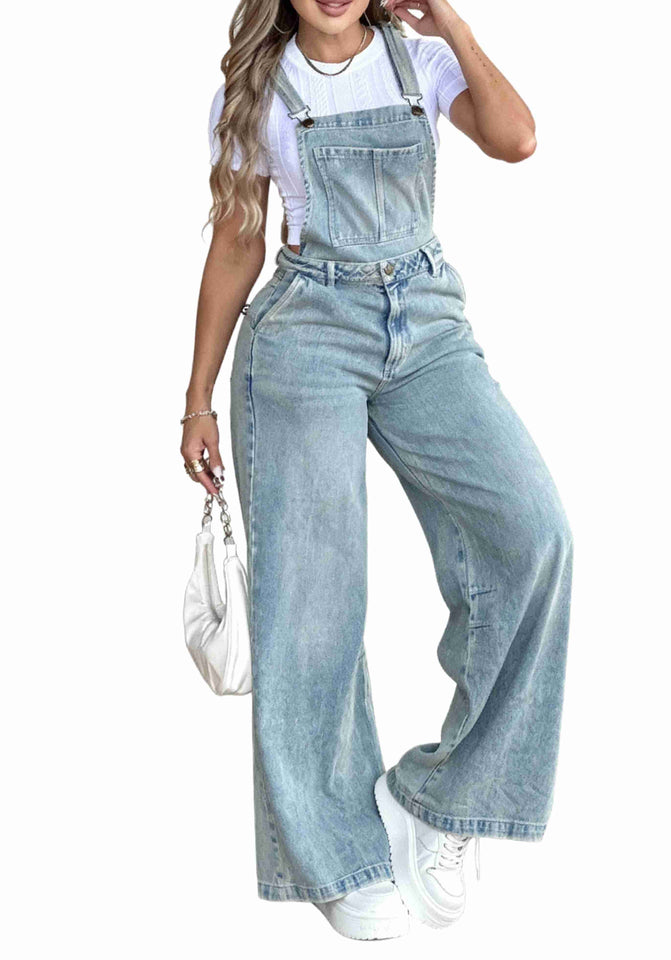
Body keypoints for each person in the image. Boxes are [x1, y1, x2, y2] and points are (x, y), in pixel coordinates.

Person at [181, 0, 573, 941]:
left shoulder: (421, 63)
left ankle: (446, 800)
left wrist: (452, 25)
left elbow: (517, 139)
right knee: (314, 601)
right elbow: (237, 240)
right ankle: (336, 855)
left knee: (534, 535)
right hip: (305, 334)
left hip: (426, 323)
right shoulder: (254, 89)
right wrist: (196, 398)